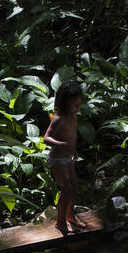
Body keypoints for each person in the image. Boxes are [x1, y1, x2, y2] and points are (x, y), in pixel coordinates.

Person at [43, 81, 86, 234]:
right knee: (66, 188)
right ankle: (60, 222)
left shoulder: (72, 116)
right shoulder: (59, 118)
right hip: (57, 159)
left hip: (68, 157)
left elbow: (71, 137)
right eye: (74, 104)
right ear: (64, 102)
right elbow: (46, 138)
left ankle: (70, 215)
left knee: (73, 186)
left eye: (79, 104)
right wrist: (60, 144)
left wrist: (74, 151)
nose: (77, 108)